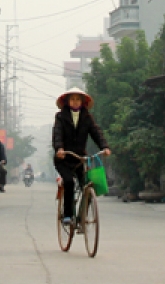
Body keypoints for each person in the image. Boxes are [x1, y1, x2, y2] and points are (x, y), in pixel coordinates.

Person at [52, 87, 111, 226]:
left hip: (79, 159)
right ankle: (67, 215)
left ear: (83, 102)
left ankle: (82, 214)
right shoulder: (60, 117)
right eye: (72, 99)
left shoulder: (87, 117)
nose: (75, 101)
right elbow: (57, 134)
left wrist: (105, 147)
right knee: (69, 182)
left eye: (78, 99)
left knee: (88, 184)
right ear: (67, 101)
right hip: (64, 158)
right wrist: (59, 148)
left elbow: (96, 133)